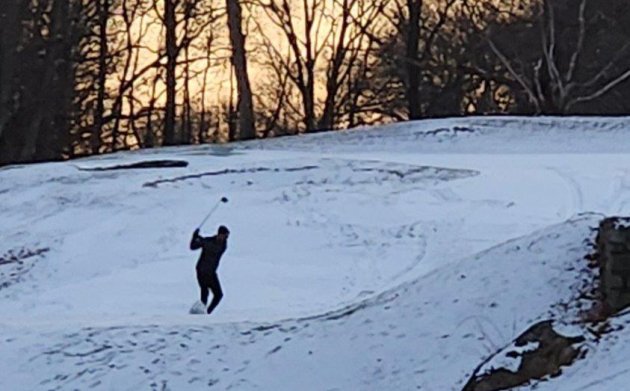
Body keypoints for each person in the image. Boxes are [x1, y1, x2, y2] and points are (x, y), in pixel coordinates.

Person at [190, 225, 230, 314]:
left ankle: (206, 312)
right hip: (201, 271)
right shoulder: (208, 241)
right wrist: (194, 237)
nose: (226, 238)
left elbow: (213, 247)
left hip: (211, 272)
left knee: (218, 294)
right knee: (205, 292)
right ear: (220, 234)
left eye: (227, 236)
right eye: (225, 236)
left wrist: (199, 238)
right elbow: (193, 247)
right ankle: (202, 312)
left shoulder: (222, 246)